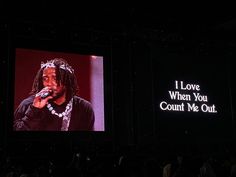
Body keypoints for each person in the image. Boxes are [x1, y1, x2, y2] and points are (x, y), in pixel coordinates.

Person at [14, 58, 95, 131]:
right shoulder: (28, 104)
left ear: (66, 81)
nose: (49, 83)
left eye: (55, 78)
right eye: (45, 78)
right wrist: (34, 110)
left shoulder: (83, 108)